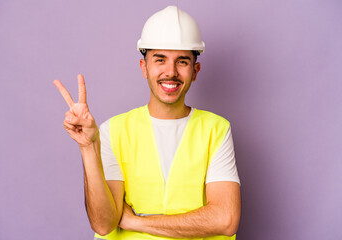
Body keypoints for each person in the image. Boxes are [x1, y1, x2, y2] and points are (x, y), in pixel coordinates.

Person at [54, 6, 241, 240]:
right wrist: (87, 147)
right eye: (160, 59)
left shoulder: (216, 130)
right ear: (144, 67)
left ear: (195, 70)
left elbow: (225, 219)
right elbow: (103, 224)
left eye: (182, 61)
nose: (170, 72)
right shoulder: (114, 130)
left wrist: (135, 221)